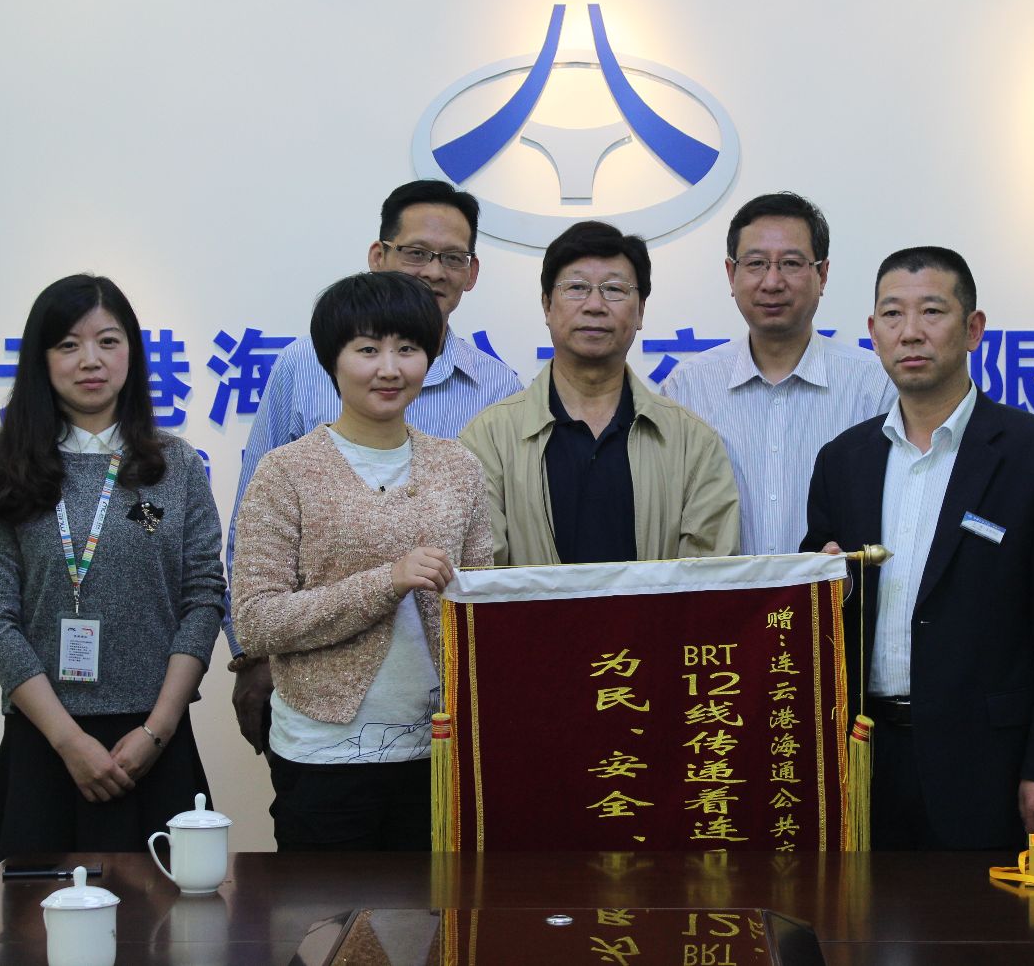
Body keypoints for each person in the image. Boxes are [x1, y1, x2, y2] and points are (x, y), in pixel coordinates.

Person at [802, 246, 1034, 849]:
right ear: (873, 333)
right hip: (863, 756)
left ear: (973, 329)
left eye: (932, 311)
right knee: (861, 912)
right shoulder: (843, 461)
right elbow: (821, 606)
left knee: (982, 915)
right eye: (893, 315)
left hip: (990, 763)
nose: (910, 332)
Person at [224, 180, 521, 753]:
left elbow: (480, 585)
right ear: (379, 254)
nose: (388, 370)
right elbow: (254, 580)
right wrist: (253, 657)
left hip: (438, 730)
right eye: (416, 252)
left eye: (451, 257)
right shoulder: (293, 407)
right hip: (320, 727)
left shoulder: (484, 411)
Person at [231, 271, 491, 850]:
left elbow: (479, 608)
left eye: (408, 349)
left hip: (438, 748)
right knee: (325, 910)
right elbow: (256, 621)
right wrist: (386, 582)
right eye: (368, 349)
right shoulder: (286, 472)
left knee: (437, 908)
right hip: (323, 753)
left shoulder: (459, 468)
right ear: (333, 359)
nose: (390, 368)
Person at [0, 274, 224, 858]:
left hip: (153, 738)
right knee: (38, 915)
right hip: (45, 740)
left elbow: (204, 597)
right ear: (41, 359)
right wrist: (68, 741)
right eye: (68, 344)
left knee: (167, 912)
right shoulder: (5, 470)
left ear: (131, 352)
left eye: (108, 341)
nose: (91, 360)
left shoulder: (176, 464)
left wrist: (158, 730)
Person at [460, 220, 740, 566]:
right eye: (577, 287)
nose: (595, 305)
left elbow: (710, 578)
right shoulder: (490, 438)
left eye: (614, 289)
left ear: (640, 311)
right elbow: (480, 573)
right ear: (547, 305)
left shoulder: (692, 441)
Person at [662, 192, 895, 555]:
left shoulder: (874, 386)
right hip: (722, 593)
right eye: (755, 263)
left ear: (822, 274)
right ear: (731, 274)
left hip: (837, 591)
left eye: (790, 263)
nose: (772, 282)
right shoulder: (688, 387)